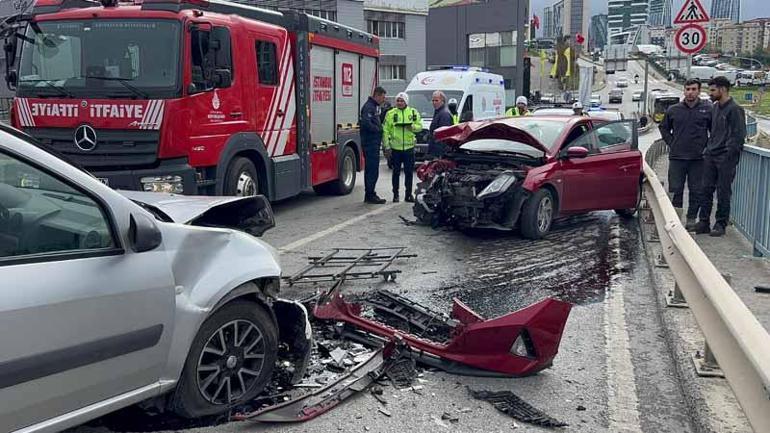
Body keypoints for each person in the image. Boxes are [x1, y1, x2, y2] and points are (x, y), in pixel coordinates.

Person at [694, 76, 746, 237]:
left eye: (713, 90)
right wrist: (708, 150)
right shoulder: (715, 107)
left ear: (722, 89)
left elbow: (738, 136)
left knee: (723, 192)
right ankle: (703, 222)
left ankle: (720, 224)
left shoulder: (735, 109)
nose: (710, 93)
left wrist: (729, 155)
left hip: (725, 157)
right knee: (705, 189)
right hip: (711, 154)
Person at [659, 78, 712, 230]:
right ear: (684, 91)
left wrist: (706, 147)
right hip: (677, 158)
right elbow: (663, 128)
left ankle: (690, 220)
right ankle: (676, 222)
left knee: (696, 191)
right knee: (676, 190)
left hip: (698, 159)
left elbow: (714, 131)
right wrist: (672, 143)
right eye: (688, 89)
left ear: (699, 91)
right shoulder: (673, 110)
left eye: (693, 89)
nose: (690, 92)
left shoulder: (708, 109)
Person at [382, 92, 422, 203]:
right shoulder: (390, 113)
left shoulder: (413, 112)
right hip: (395, 148)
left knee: (409, 173)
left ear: (406, 102)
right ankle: (395, 194)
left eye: (402, 101)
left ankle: (408, 194)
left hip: (409, 148)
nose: (399, 103)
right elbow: (385, 130)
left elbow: (420, 126)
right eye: (398, 101)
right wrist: (386, 146)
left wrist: (411, 127)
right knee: (396, 173)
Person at [359, 87, 387, 204]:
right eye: (383, 97)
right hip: (370, 143)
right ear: (378, 95)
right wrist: (378, 130)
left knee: (373, 169)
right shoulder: (369, 107)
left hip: (373, 143)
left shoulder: (374, 107)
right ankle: (370, 194)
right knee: (371, 170)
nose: (384, 99)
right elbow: (366, 123)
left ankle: (370, 193)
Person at [428, 90, 454, 158]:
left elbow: (444, 135)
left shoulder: (444, 114)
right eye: (433, 100)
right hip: (436, 150)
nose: (434, 102)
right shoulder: (438, 112)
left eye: (436, 100)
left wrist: (440, 154)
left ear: (443, 101)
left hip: (440, 152)